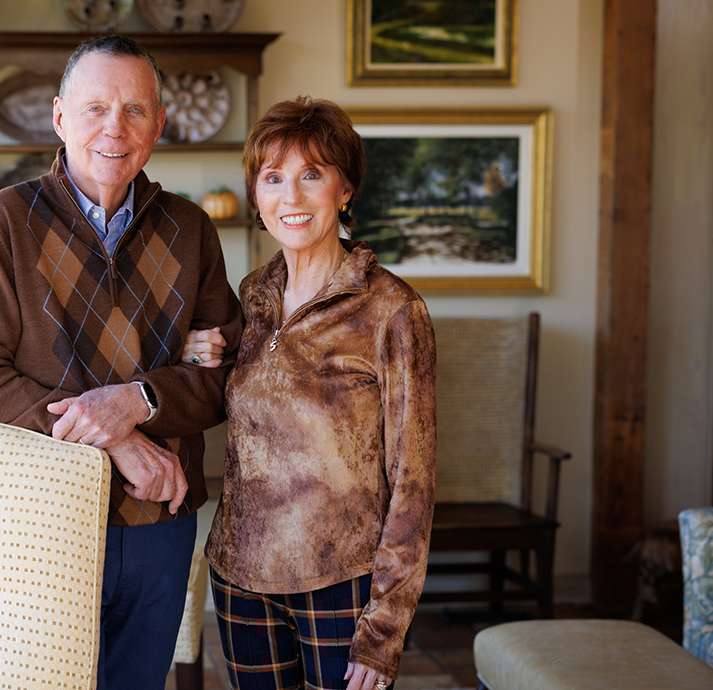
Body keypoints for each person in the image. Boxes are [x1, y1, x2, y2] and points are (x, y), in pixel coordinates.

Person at [0, 34, 243, 690]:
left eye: (136, 110)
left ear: (160, 124)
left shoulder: (191, 230)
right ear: (59, 117)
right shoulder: (0, 223)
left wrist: (139, 400)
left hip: (160, 516)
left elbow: (224, 373)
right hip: (40, 521)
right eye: (96, 106)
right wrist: (120, 435)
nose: (115, 127)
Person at [183, 96, 437, 690]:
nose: (290, 197)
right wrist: (202, 358)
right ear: (256, 196)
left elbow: (414, 481)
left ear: (344, 190)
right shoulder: (251, 296)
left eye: (311, 175)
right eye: (273, 178)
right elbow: (242, 409)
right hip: (241, 577)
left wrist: (384, 630)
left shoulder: (392, 310)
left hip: (341, 582)